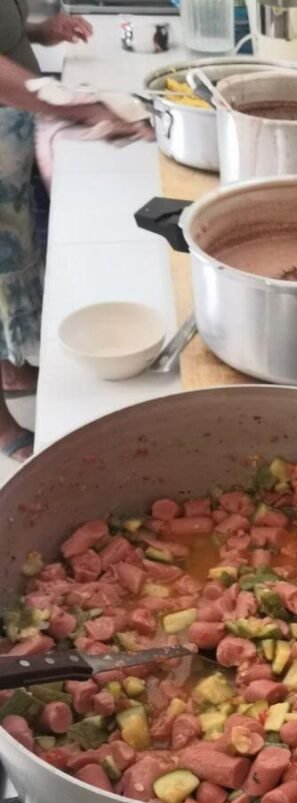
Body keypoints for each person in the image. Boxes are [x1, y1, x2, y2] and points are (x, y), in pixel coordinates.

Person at [0, 2, 143, 461]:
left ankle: (11, 367)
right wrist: (80, 106)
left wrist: (39, 31)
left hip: (11, 124)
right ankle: (2, 428)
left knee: (11, 275)